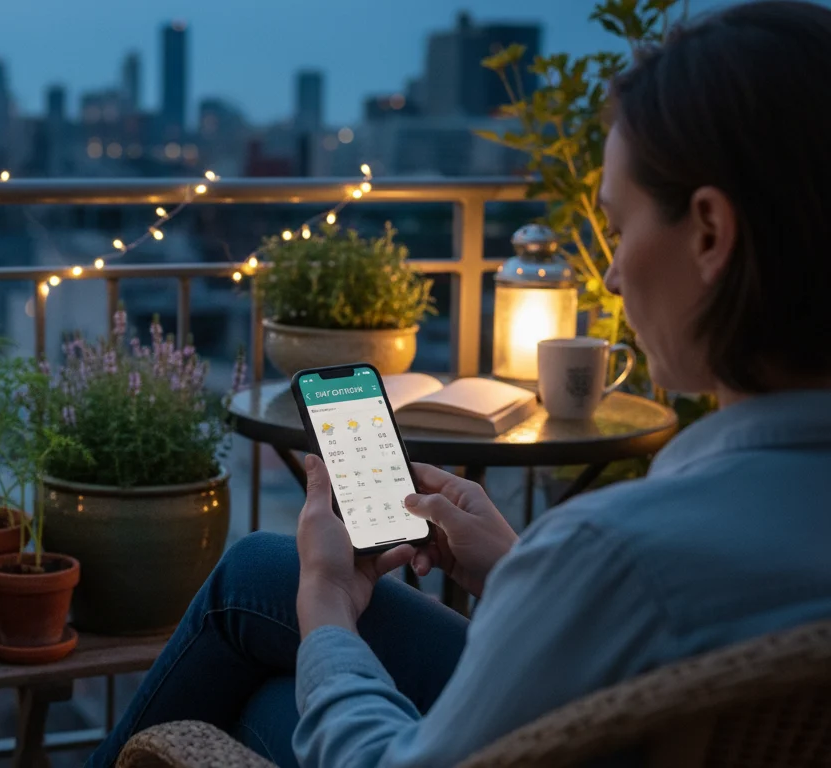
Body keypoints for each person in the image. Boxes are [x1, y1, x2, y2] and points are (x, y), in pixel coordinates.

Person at [88, 2, 831, 766]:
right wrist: (518, 568)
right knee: (265, 619)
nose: (610, 271)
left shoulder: (617, 557)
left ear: (709, 233)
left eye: (619, 224)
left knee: (268, 606)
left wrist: (327, 610)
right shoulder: (634, 556)